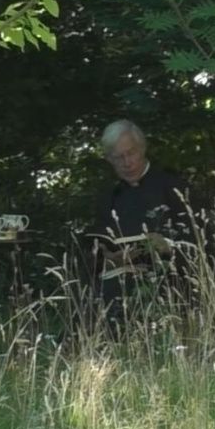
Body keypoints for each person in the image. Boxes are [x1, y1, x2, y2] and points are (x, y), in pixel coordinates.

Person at [86, 120, 190, 333]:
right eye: (118, 158)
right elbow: (99, 237)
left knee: (117, 288)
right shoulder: (110, 195)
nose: (127, 163)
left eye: (131, 153)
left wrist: (167, 245)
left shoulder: (172, 186)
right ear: (108, 159)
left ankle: (91, 344)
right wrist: (106, 255)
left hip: (167, 277)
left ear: (142, 148)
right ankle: (78, 344)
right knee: (90, 281)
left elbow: (197, 238)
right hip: (120, 273)